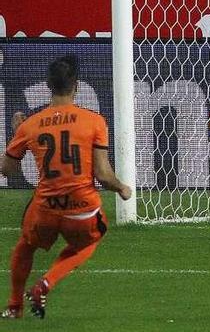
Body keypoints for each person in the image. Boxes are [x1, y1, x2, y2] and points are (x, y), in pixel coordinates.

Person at [0, 55, 132, 320]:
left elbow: (7, 169)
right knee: (88, 244)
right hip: (81, 208)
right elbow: (103, 175)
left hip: (46, 209)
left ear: (48, 85)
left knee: (25, 246)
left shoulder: (30, 125)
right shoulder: (94, 121)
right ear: (77, 86)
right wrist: (122, 188)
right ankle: (46, 283)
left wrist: (18, 134)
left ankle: (15, 306)